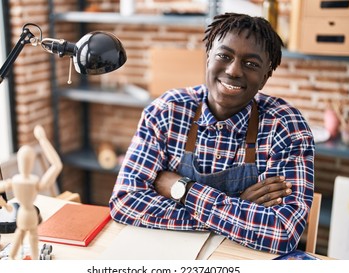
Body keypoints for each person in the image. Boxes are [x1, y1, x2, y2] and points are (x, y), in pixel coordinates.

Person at [109, 12, 315, 254]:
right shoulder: (167, 111)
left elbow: (282, 231)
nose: (234, 70)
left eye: (251, 64)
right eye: (224, 56)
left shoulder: (286, 127)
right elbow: (125, 201)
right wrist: (236, 208)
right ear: (208, 58)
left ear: (265, 76)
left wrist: (182, 190)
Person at [0, 125, 62, 259]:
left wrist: (4, 204)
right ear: (31, 162)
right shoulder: (35, 182)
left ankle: (11, 259)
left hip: (21, 215)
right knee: (33, 241)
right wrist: (43, 140)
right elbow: (56, 165)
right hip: (31, 215)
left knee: (17, 240)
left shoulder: (14, 181)